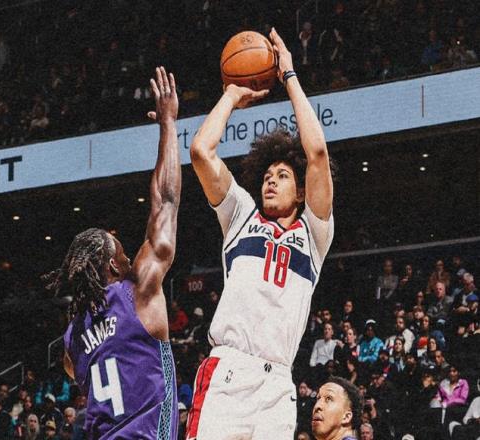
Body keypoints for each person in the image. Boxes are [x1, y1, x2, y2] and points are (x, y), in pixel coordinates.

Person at [186, 28, 334, 440]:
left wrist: (289, 76)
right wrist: (231, 96)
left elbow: (317, 154)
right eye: (267, 175)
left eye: (282, 175)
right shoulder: (241, 216)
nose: (271, 180)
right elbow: (201, 152)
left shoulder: (314, 235)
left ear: (301, 192)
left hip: (278, 384)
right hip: (229, 373)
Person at [45, 67, 181, 439]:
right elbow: (165, 202)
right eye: (121, 252)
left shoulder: (72, 340)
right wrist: (169, 124)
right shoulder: (139, 292)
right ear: (112, 265)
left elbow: (82, 367)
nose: (128, 258)